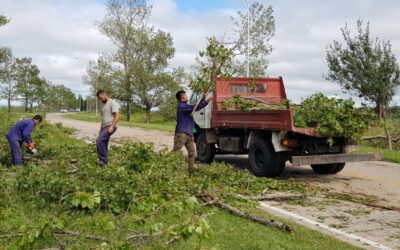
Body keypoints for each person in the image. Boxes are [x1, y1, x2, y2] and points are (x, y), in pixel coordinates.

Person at [172, 90, 212, 174]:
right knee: (175, 152)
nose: (187, 96)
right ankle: (165, 165)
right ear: (182, 97)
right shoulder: (182, 106)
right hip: (181, 134)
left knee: (192, 153)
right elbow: (196, 107)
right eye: (185, 95)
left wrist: (203, 97)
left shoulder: (186, 106)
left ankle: (191, 171)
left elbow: (195, 106)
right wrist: (207, 101)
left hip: (189, 134)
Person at [96, 90, 120, 166]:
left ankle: (103, 161)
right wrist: (100, 128)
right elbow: (104, 118)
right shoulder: (104, 105)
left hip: (110, 126)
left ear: (105, 94)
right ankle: (103, 161)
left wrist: (112, 126)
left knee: (99, 141)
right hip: (104, 127)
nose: (100, 100)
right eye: (99, 99)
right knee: (104, 143)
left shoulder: (112, 102)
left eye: (101, 98)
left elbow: (117, 115)